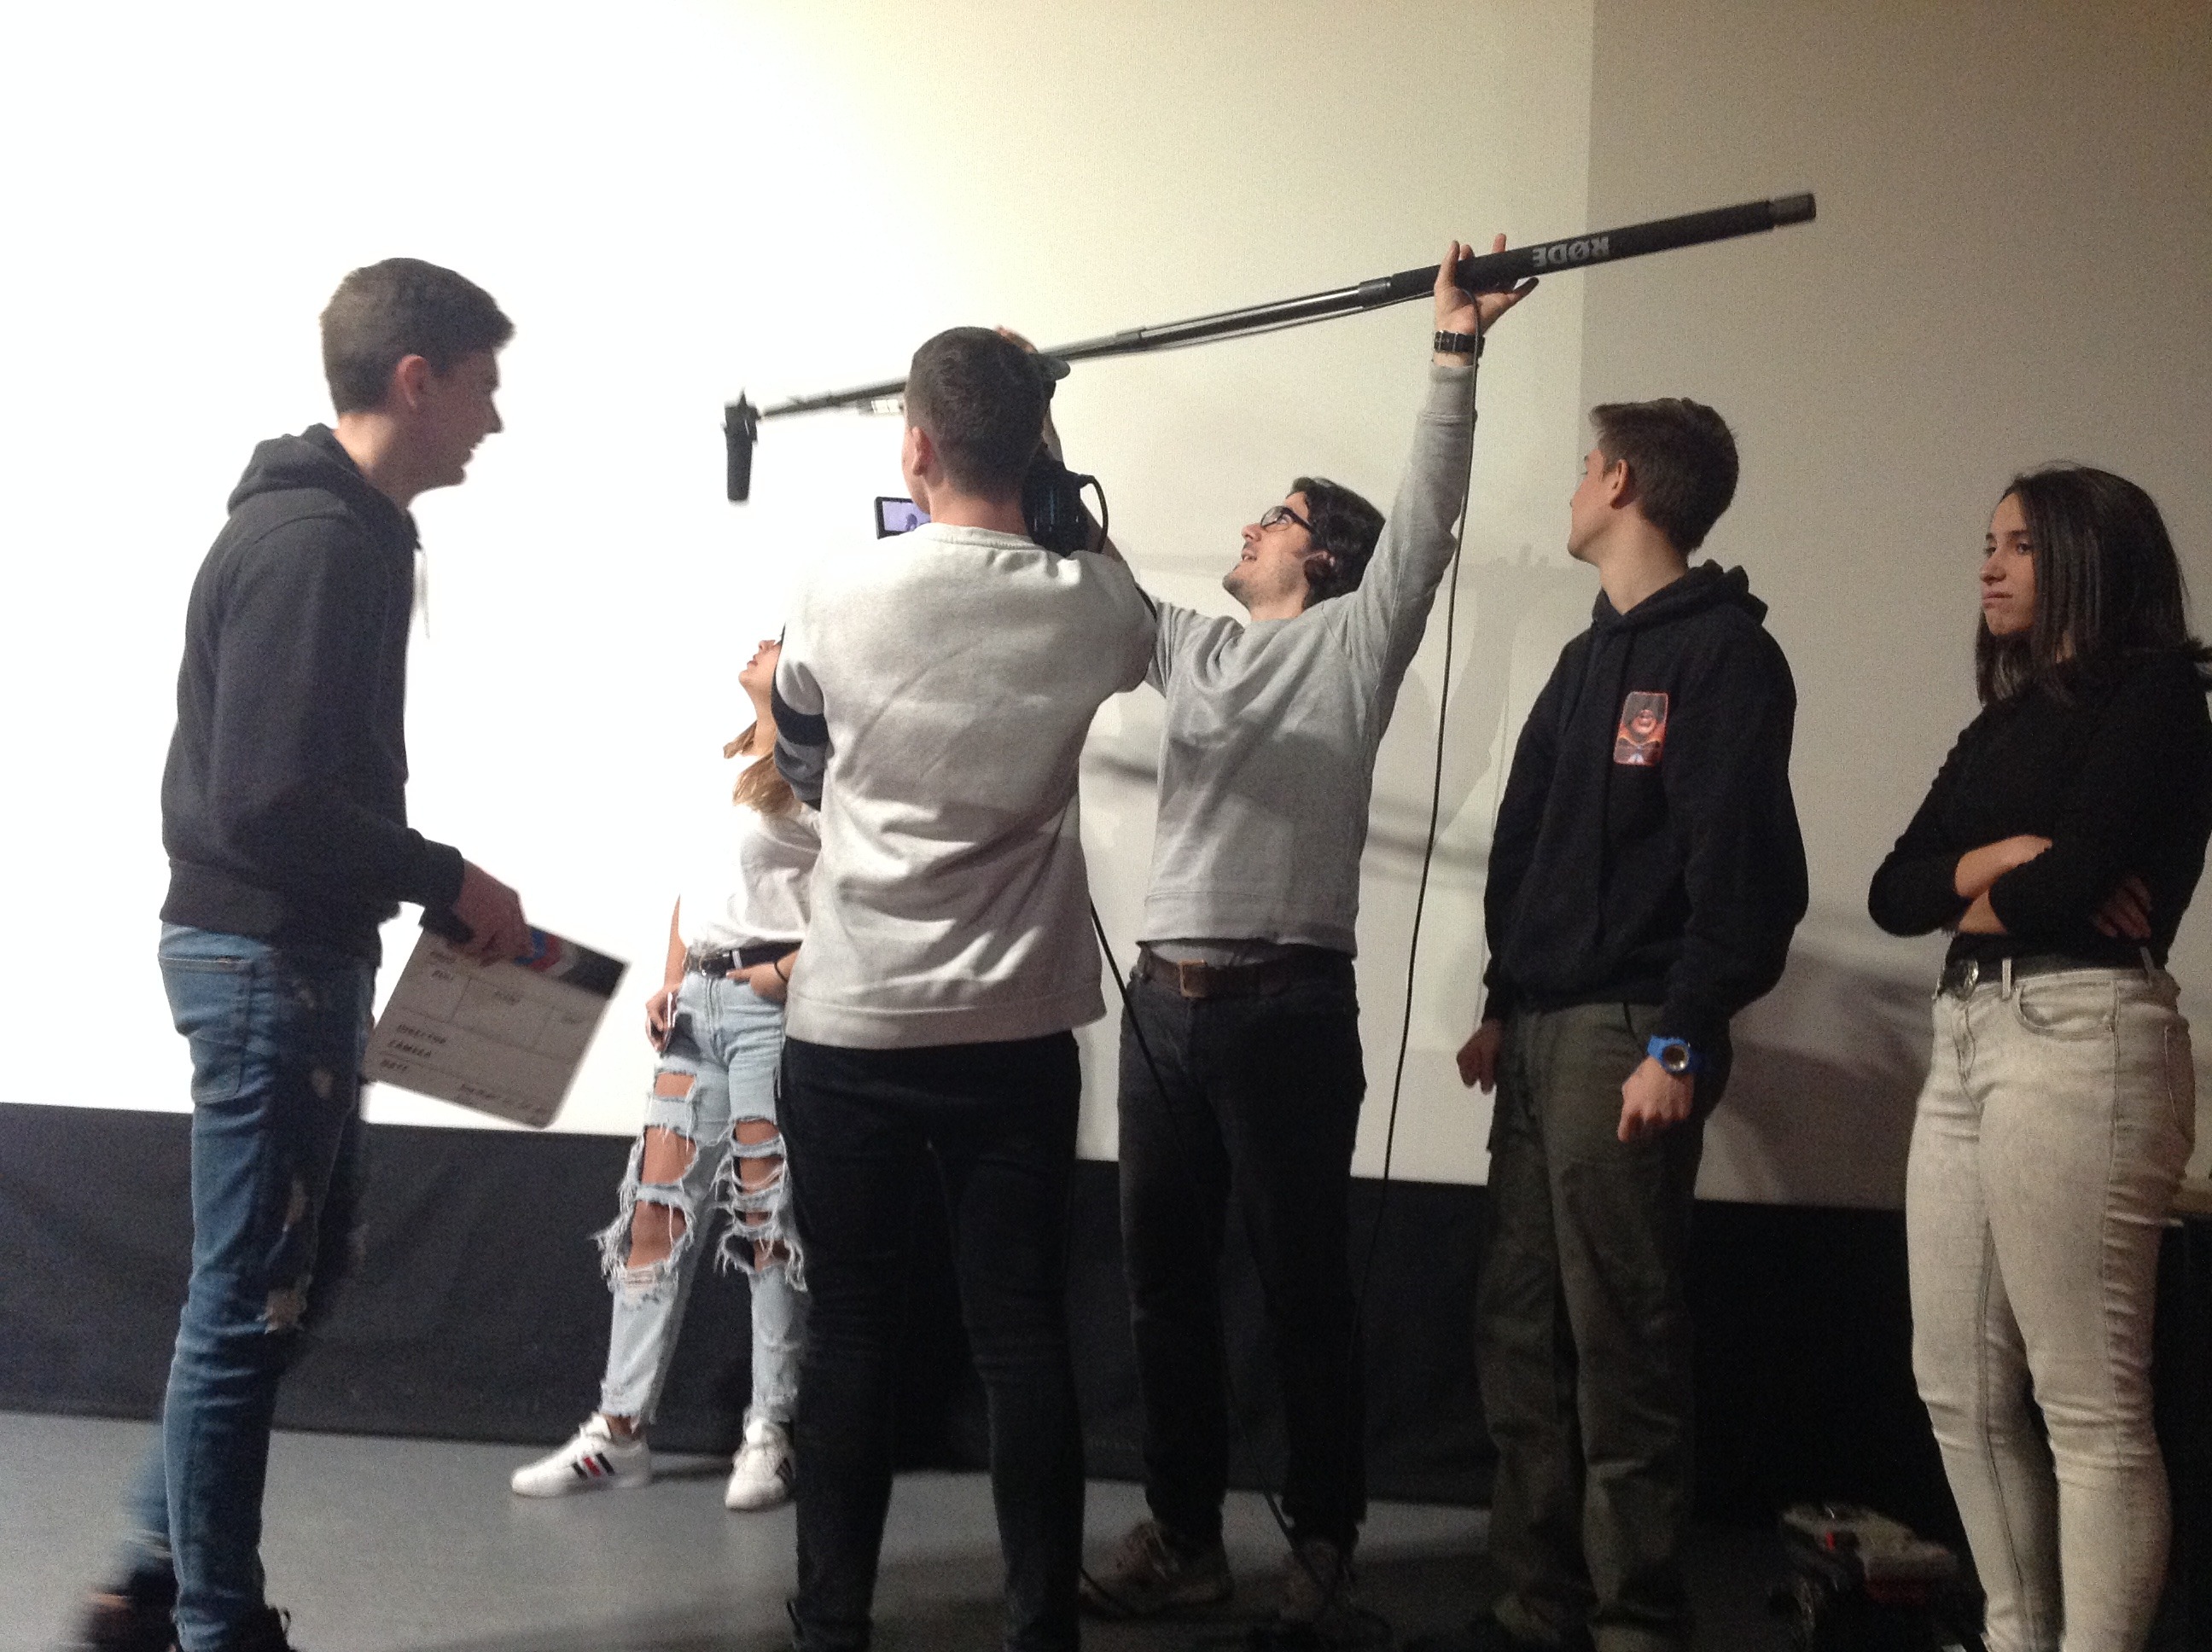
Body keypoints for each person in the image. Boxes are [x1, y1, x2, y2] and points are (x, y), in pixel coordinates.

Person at [76, 259, 533, 1652]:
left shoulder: (342, 532)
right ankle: (209, 1619)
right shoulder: (317, 544)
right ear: (416, 379)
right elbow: (267, 801)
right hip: (267, 965)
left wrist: (414, 885)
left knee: (289, 1277)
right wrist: (441, 875)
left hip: (285, 957)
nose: (495, 419)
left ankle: (153, 1577)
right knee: (248, 1300)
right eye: (484, 386)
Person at [1078, 239, 1534, 1632]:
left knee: (1302, 1291)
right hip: (1164, 1009)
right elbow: (1093, 577)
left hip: (1284, 1008)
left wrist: (1453, 351)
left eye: (1275, 517)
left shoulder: (1352, 642)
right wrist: (1028, 430)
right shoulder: (1194, 648)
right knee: (1162, 1290)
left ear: (1323, 556)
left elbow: (1428, 522)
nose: (1250, 525)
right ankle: (1186, 1535)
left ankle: (1323, 1542)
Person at [769, 326, 1155, 1652]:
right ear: (1036, 448)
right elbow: (1136, 626)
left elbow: (801, 752)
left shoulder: (841, 591)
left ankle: (831, 1625)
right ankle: (1042, 1629)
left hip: (854, 1023)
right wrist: (1054, 480)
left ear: (916, 446)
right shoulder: (1091, 603)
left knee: (852, 1338)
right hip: (1016, 1029)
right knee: (1022, 1338)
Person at [1450, 398, 1807, 1652]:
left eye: (1580, 468)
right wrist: (1503, 999)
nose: (1569, 491)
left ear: (1619, 483)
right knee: (1520, 1325)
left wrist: (1681, 1038)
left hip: (1630, 1031)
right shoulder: (1584, 657)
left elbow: (1742, 872)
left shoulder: (1724, 657)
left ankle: (1636, 1621)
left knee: (1622, 1337)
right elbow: (1529, 845)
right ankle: (1535, 1604)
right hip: (1544, 1029)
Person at [1868, 466, 2211, 1652]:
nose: (1990, 564)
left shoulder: (2157, 696)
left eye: (2018, 543)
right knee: (1956, 1384)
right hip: (1969, 1037)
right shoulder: (2005, 721)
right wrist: (2003, 862)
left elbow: (2072, 892)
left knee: (2088, 1397)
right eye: (1988, 541)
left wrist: (1985, 888)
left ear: (2086, 555)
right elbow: (1893, 890)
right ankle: (2018, 1634)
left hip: (2082, 1034)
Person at [509, 637, 816, 1509]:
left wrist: (783, 973)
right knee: (654, 1215)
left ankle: (770, 1432)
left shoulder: (821, 773)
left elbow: (859, 897)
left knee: (766, 1222)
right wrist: (673, 980)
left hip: (768, 1014)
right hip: (700, 1011)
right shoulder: (731, 762)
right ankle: (619, 1432)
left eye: (780, 639)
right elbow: (695, 892)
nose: (762, 641)